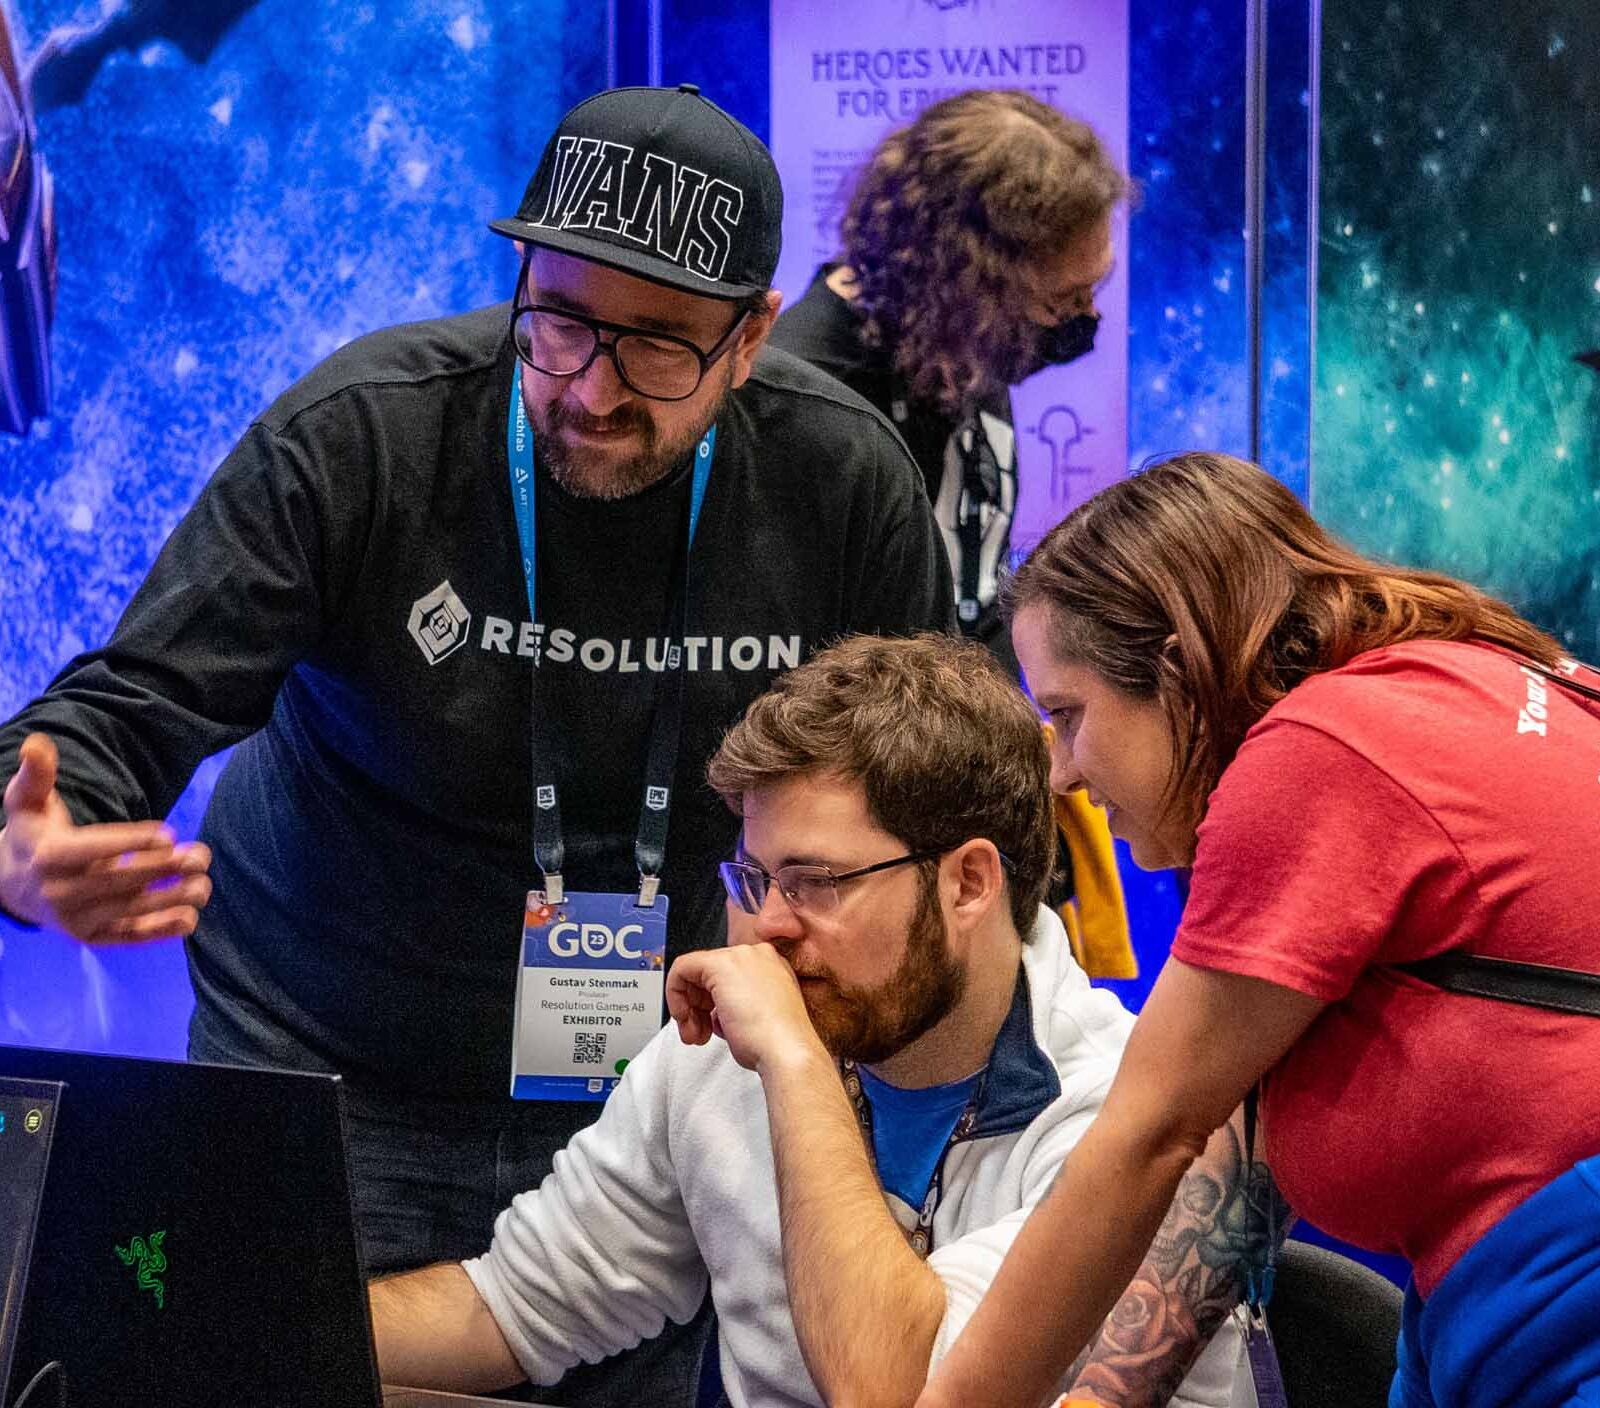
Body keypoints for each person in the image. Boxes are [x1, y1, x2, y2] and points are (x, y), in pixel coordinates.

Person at [0, 84, 955, 1403]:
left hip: (664, 1095)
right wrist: (29, 844)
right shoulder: (370, 434)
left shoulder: (840, 482)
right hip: (331, 1073)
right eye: (559, 319)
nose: (593, 389)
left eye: (660, 347)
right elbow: (116, 712)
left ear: (752, 339)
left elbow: (944, 788)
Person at [370, 632, 1250, 1408]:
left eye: (815, 881)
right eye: (753, 881)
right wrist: (261, 1324)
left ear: (969, 884)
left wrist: (796, 1068)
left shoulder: (1126, 1115)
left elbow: (902, 1394)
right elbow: (513, 1308)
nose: (770, 925)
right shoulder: (734, 1054)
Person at [919, 453, 1600, 1408]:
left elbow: (1148, 1137)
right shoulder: (1457, 682)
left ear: (1174, 665)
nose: (1063, 772)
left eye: (1069, 715)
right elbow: (1229, 1157)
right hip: (1490, 1316)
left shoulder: (1319, 749)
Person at [768, 89, 1124, 676]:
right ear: (967, 287)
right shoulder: (800, 401)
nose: (1085, 320)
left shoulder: (956, 349)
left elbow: (975, 589)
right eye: (1060, 302)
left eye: (1093, 289)